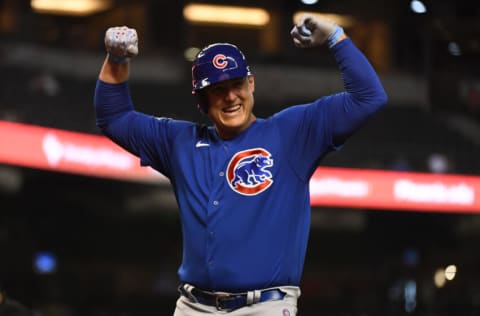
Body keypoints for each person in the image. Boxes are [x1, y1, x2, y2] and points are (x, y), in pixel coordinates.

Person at [94, 14, 387, 316]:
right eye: (218, 89)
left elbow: (368, 98)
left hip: (264, 306)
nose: (230, 96)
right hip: (193, 306)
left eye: (237, 84)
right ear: (202, 100)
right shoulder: (178, 142)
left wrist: (336, 37)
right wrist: (116, 60)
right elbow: (114, 118)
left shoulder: (291, 134)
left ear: (251, 84)